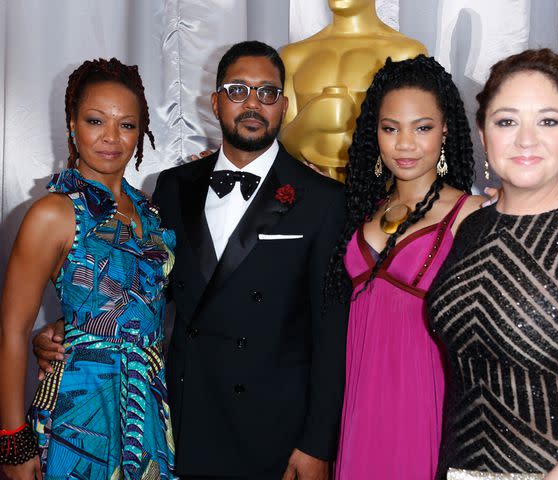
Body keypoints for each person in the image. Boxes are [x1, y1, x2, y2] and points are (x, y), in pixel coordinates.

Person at [35, 41, 348, 479]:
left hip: (275, 434)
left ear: (285, 106)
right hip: (183, 423)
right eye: (238, 90)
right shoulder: (171, 187)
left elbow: (333, 335)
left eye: (267, 93)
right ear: (216, 102)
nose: (253, 103)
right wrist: (69, 329)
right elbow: (145, 288)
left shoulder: (325, 201)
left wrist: (317, 445)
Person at [429, 48, 558, 479]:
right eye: (507, 121)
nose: (527, 140)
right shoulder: (470, 227)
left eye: (548, 121)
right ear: (483, 135)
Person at [0, 58, 176, 479]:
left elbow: (126, 303)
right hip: (79, 417)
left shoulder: (150, 214)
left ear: (141, 132)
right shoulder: (54, 213)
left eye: (127, 125)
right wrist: (13, 441)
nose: (111, 138)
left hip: (147, 409)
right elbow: (11, 331)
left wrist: (70, 323)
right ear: (72, 126)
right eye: (96, 120)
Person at [322, 55, 484, 479]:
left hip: (423, 403)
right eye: (390, 128)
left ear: (446, 128)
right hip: (358, 403)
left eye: (422, 128)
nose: (405, 144)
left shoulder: (473, 214)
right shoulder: (363, 209)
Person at [280, 0, 426, 181]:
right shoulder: (293, 56)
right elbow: (283, 144)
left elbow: (417, 135)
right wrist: (312, 117)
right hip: (308, 190)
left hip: (380, 192)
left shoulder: (405, 53)